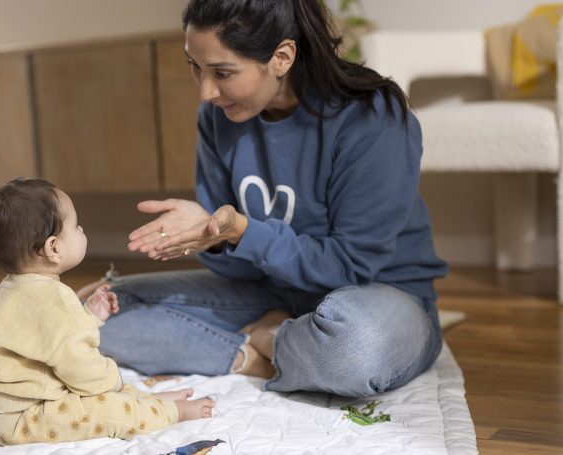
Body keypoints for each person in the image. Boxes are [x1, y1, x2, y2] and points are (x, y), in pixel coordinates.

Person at [89, 0, 448, 397]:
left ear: (281, 57)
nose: (207, 91)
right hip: (273, 290)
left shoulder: (371, 117)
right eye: (195, 66)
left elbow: (352, 265)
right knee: (99, 313)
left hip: (374, 293)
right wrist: (210, 232)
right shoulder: (217, 117)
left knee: (358, 347)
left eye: (223, 72)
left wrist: (243, 231)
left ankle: (274, 336)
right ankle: (253, 355)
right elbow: (240, 270)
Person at [0, 178, 213, 446]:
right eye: (76, 226)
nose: (82, 229)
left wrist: (90, 316)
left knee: (98, 393)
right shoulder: (53, 296)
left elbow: (46, 339)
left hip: (1, 412)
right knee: (107, 408)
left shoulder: (12, 286)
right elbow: (81, 368)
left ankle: (145, 400)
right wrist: (114, 380)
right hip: (26, 417)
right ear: (54, 248)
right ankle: (169, 412)